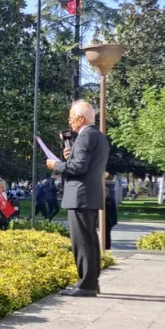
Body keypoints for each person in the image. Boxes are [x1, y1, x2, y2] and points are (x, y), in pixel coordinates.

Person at [46, 100, 110, 297]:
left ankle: (86, 285)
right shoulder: (98, 136)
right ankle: (91, 282)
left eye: (71, 117)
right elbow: (81, 164)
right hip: (89, 195)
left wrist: (55, 165)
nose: (70, 121)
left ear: (81, 118)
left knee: (81, 241)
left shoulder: (84, 137)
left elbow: (78, 168)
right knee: (89, 240)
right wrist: (69, 158)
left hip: (79, 195)